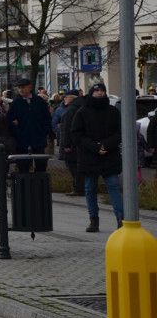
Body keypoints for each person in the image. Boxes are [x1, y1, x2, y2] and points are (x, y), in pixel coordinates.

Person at [70, 82, 124, 233]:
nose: (100, 93)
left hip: (109, 155)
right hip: (89, 156)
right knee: (89, 188)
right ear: (91, 93)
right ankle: (93, 219)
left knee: (113, 185)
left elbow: (120, 133)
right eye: (97, 91)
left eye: (102, 90)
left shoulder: (113, 111)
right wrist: (94, 147)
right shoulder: (82, 112)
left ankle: (121, 218)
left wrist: (105, 145)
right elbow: (76, 134)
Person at [8, 77, 52, 171]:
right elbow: (10, 121)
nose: (21, 90)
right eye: (19, 88)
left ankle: (39, 185)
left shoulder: (39, 101)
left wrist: (44, 131)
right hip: (22, 142)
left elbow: (47, 118)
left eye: (23, 87)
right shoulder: (16, 103)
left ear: (30, 88)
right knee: (23, 168)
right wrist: (17, 133)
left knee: (41, 167)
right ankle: (25, 186)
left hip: (38, 140)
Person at [59, 90, 85, 197]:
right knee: (77, 167)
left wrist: (67, 144)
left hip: (72, 144)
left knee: (74, 167)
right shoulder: (81, 107)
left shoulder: (71, 110)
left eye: (66, 97)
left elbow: (67, 128)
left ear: (72, 98)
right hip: (79, 143)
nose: (64, 99)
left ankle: (78, 188)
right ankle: (80, 187)